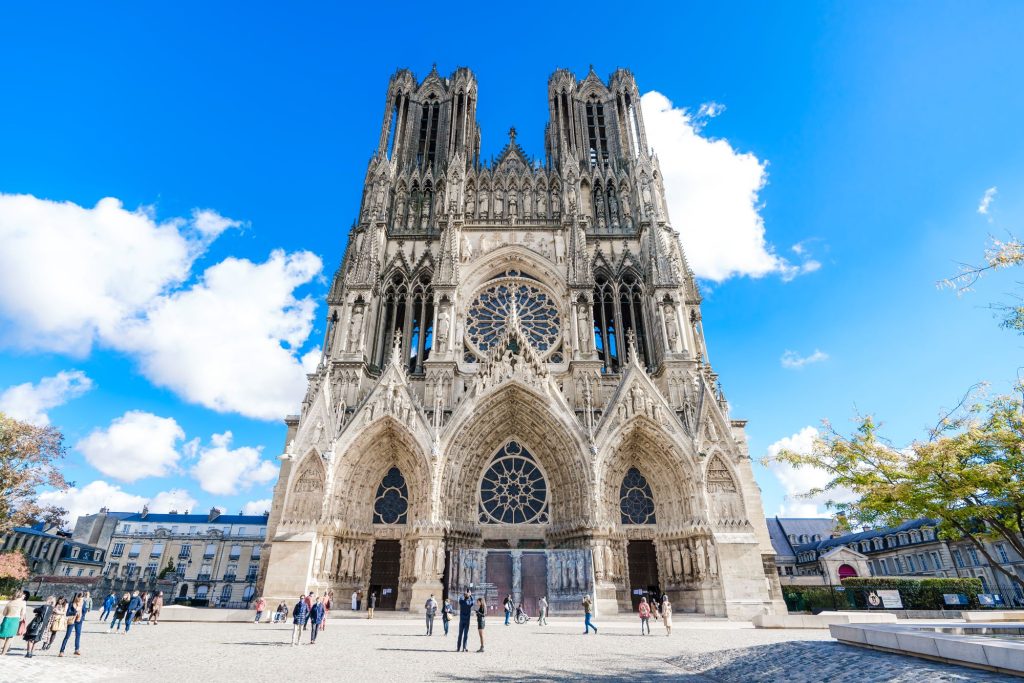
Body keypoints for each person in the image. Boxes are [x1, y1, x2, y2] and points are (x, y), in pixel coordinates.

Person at [0, 589, 28, 655]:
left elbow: (4, 613)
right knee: (10, 637)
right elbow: (22, 615)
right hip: (15, 620)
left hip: (6, 619)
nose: (24, 596)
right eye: (24, 595)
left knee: (1, 636)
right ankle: (3, 653)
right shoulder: (23, 603)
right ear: (21, 595)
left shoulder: (10, 602)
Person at [58, 592, 84, 657]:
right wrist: (75, 612)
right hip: (72, 620)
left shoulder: (83, 603)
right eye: (79, 597)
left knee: (78, 635)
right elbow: (67, 613)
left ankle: (77, 649)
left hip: (79, 620)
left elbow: (84, 611)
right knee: (67, 636)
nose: (80, 599)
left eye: (81, 597)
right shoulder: (72, 603)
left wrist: (81, 614)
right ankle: (61, 651)